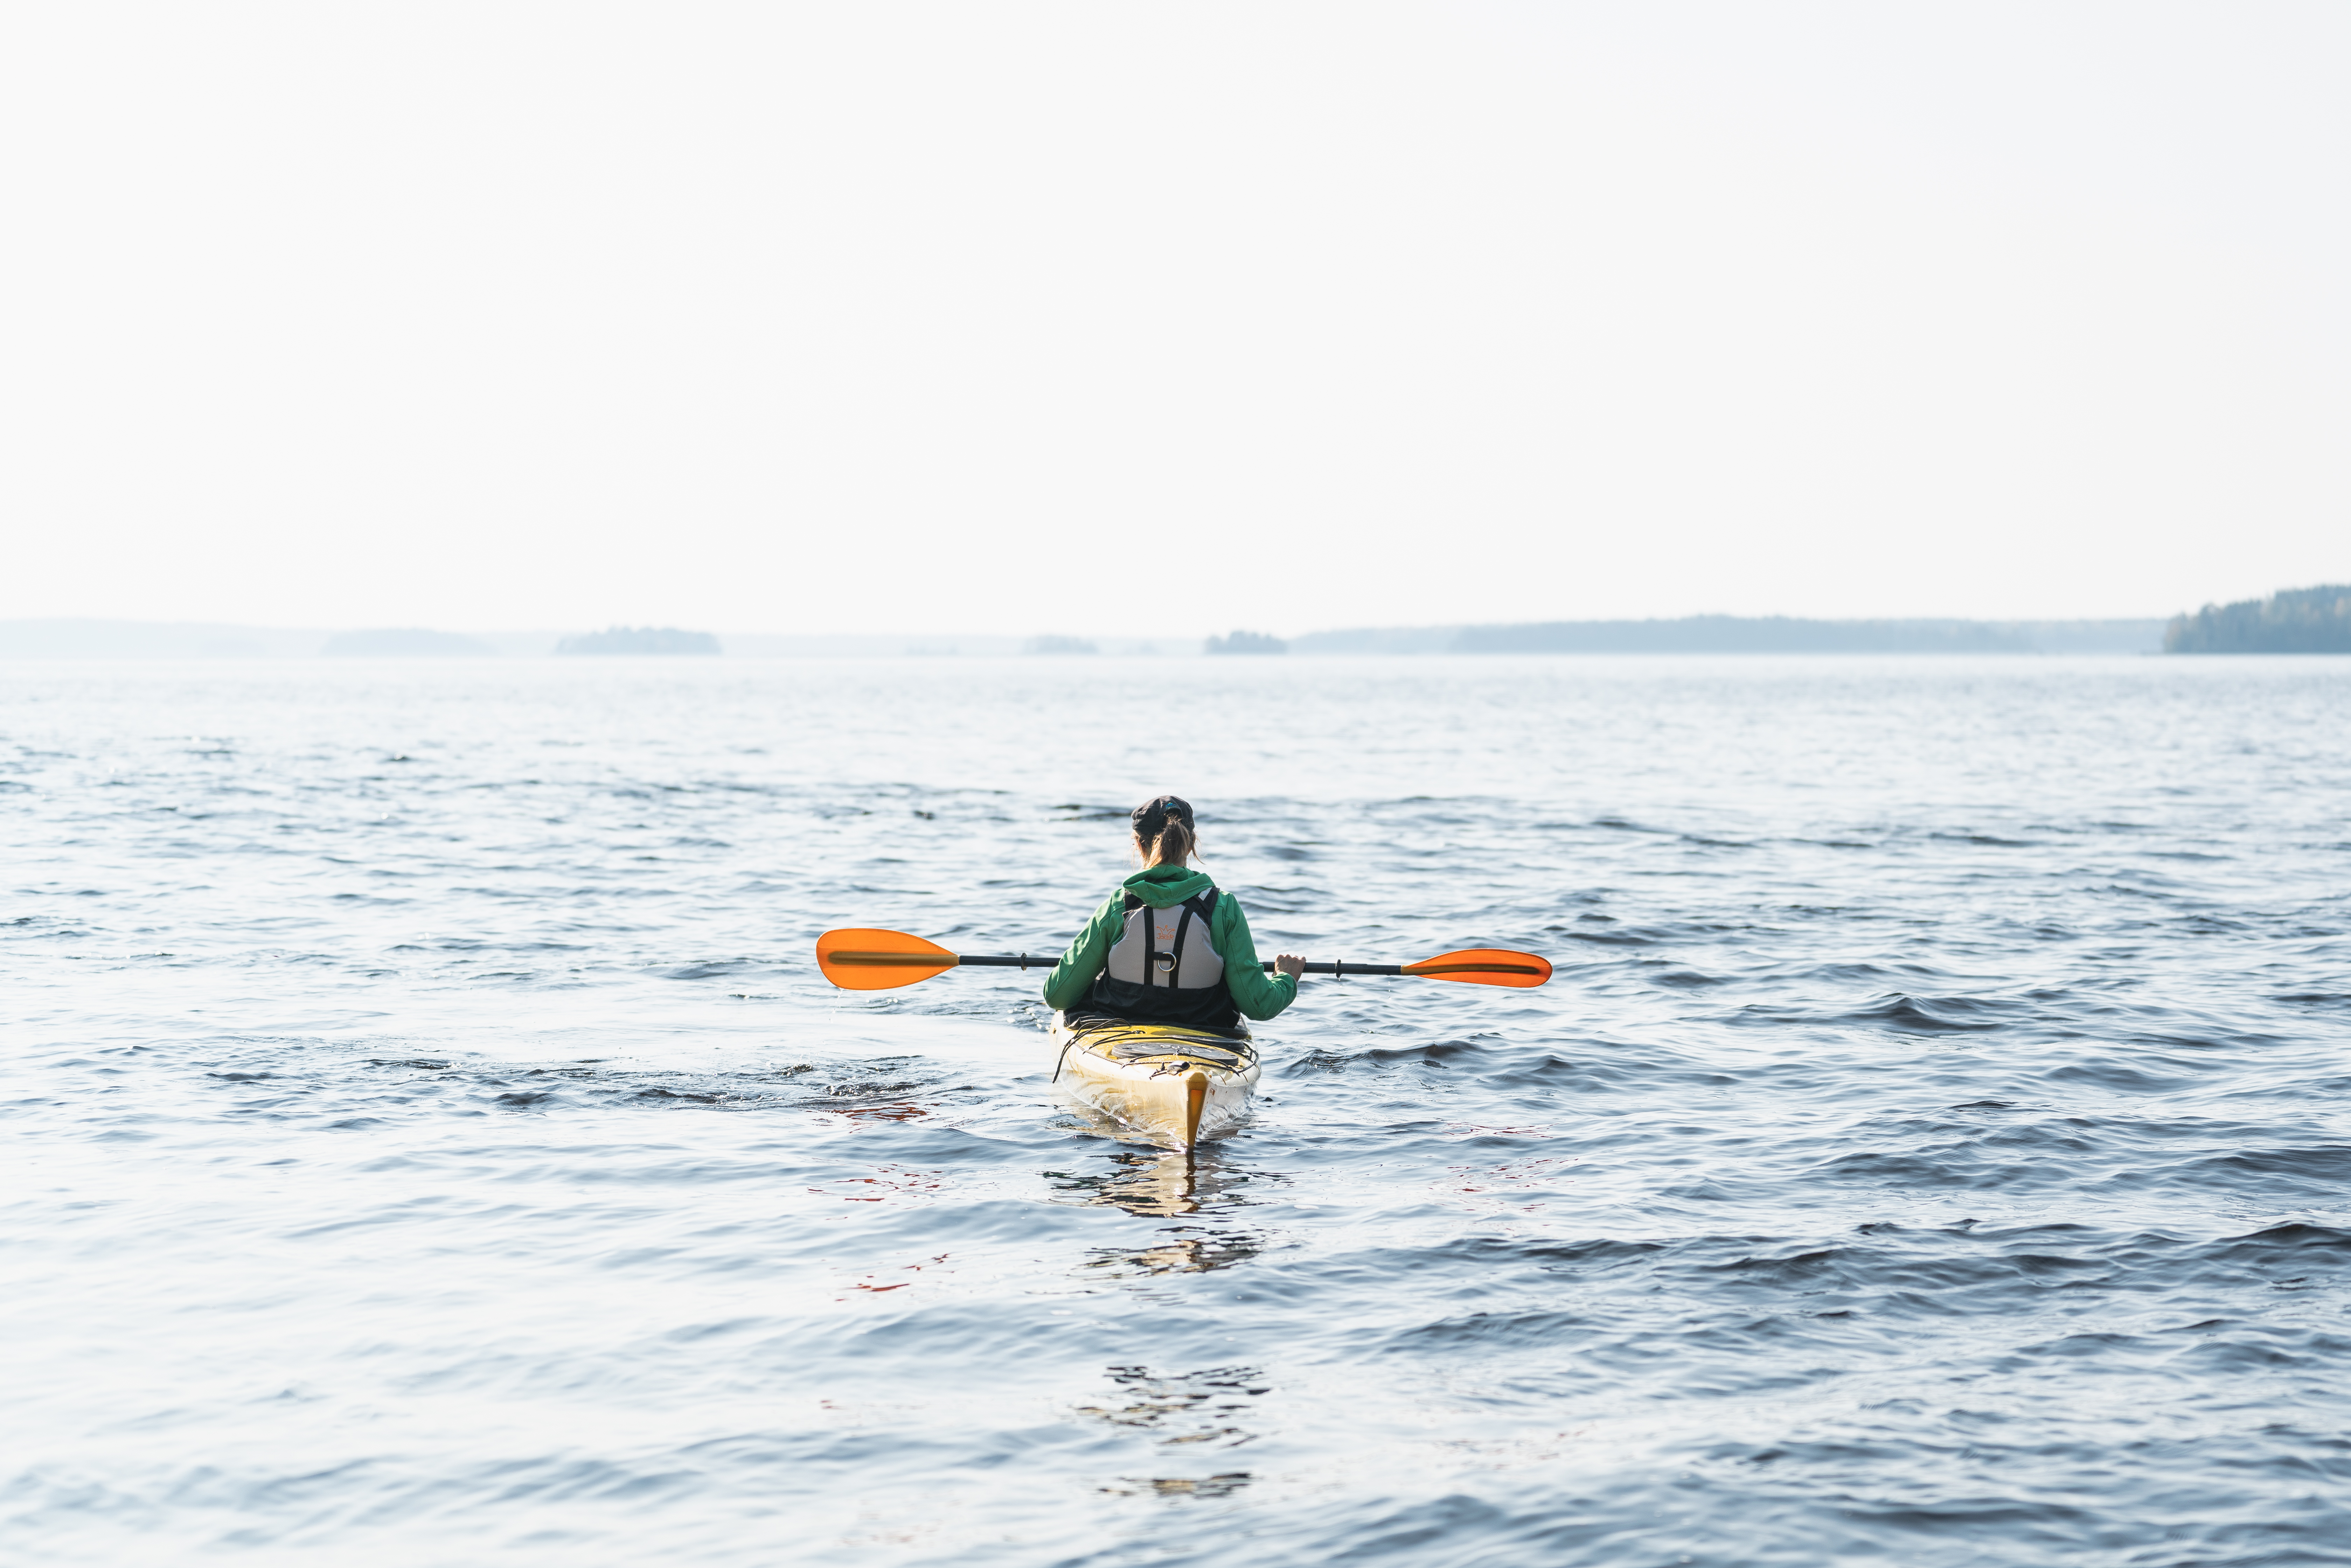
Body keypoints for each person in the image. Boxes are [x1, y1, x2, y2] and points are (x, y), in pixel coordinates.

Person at [1043, 795, 1306, 1034]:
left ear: (1138, 843)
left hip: (1120, 1032)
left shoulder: (1118, 906)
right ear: (1192, 842)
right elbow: (1259, 1006)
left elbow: (1057, 995)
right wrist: (1286, 978)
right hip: (1205, 1033)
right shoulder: (1223, 907)